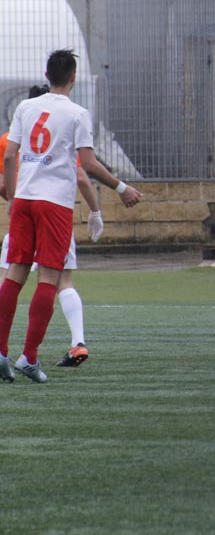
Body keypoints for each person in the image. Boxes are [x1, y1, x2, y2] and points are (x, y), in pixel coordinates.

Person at [0, 49, 142, 384]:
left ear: (46, 75)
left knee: (14, 274)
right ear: (73, 78)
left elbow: (9, 156)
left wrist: (13, 196)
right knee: (49, 278)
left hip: (25, 200)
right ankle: (28, 357)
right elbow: (88, 165)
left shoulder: (25, 107)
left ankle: (1, 352)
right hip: (54, 204)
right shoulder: (77, 114)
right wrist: (122, 188)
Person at [0, 127, 106, 368]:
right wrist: (95, 211)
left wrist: (15, 201)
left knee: (8, 279)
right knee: (63, 281)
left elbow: (3, 183)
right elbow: (81, 178)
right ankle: (77, 342)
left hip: (24, 215)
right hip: (56, 217)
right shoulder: (61, 137)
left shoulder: (8, 140)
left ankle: (3, 348)